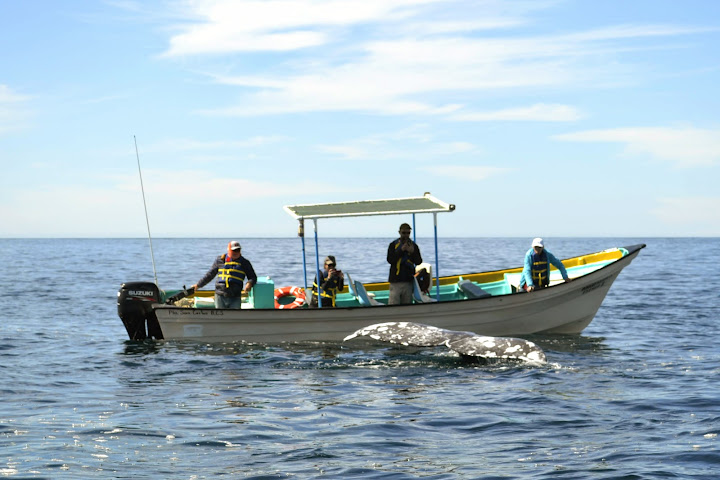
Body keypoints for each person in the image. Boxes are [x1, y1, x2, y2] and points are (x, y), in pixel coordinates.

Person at [192, 241, 257, 309]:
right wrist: (198, 285)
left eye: (238, 250)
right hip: (220, 295)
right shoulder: (220, 260)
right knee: (220, 316)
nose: (236, 252)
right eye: (234, 250)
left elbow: (253, 277)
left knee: (234, 316)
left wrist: (249, 283)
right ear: (228, 250)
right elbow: (210, 275)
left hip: (235, 296)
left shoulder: (245, 263)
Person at [387, 223, 422, 305]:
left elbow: (418, 261)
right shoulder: (393, 245)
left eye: (408, 233)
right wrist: (401, 250)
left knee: (407, 306)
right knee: (393, 305)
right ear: (399, 232)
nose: (406, 235)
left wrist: (412, 252)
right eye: (404, 233)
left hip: (408, 282)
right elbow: (390, 260)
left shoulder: (414, 246)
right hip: (395, 281)